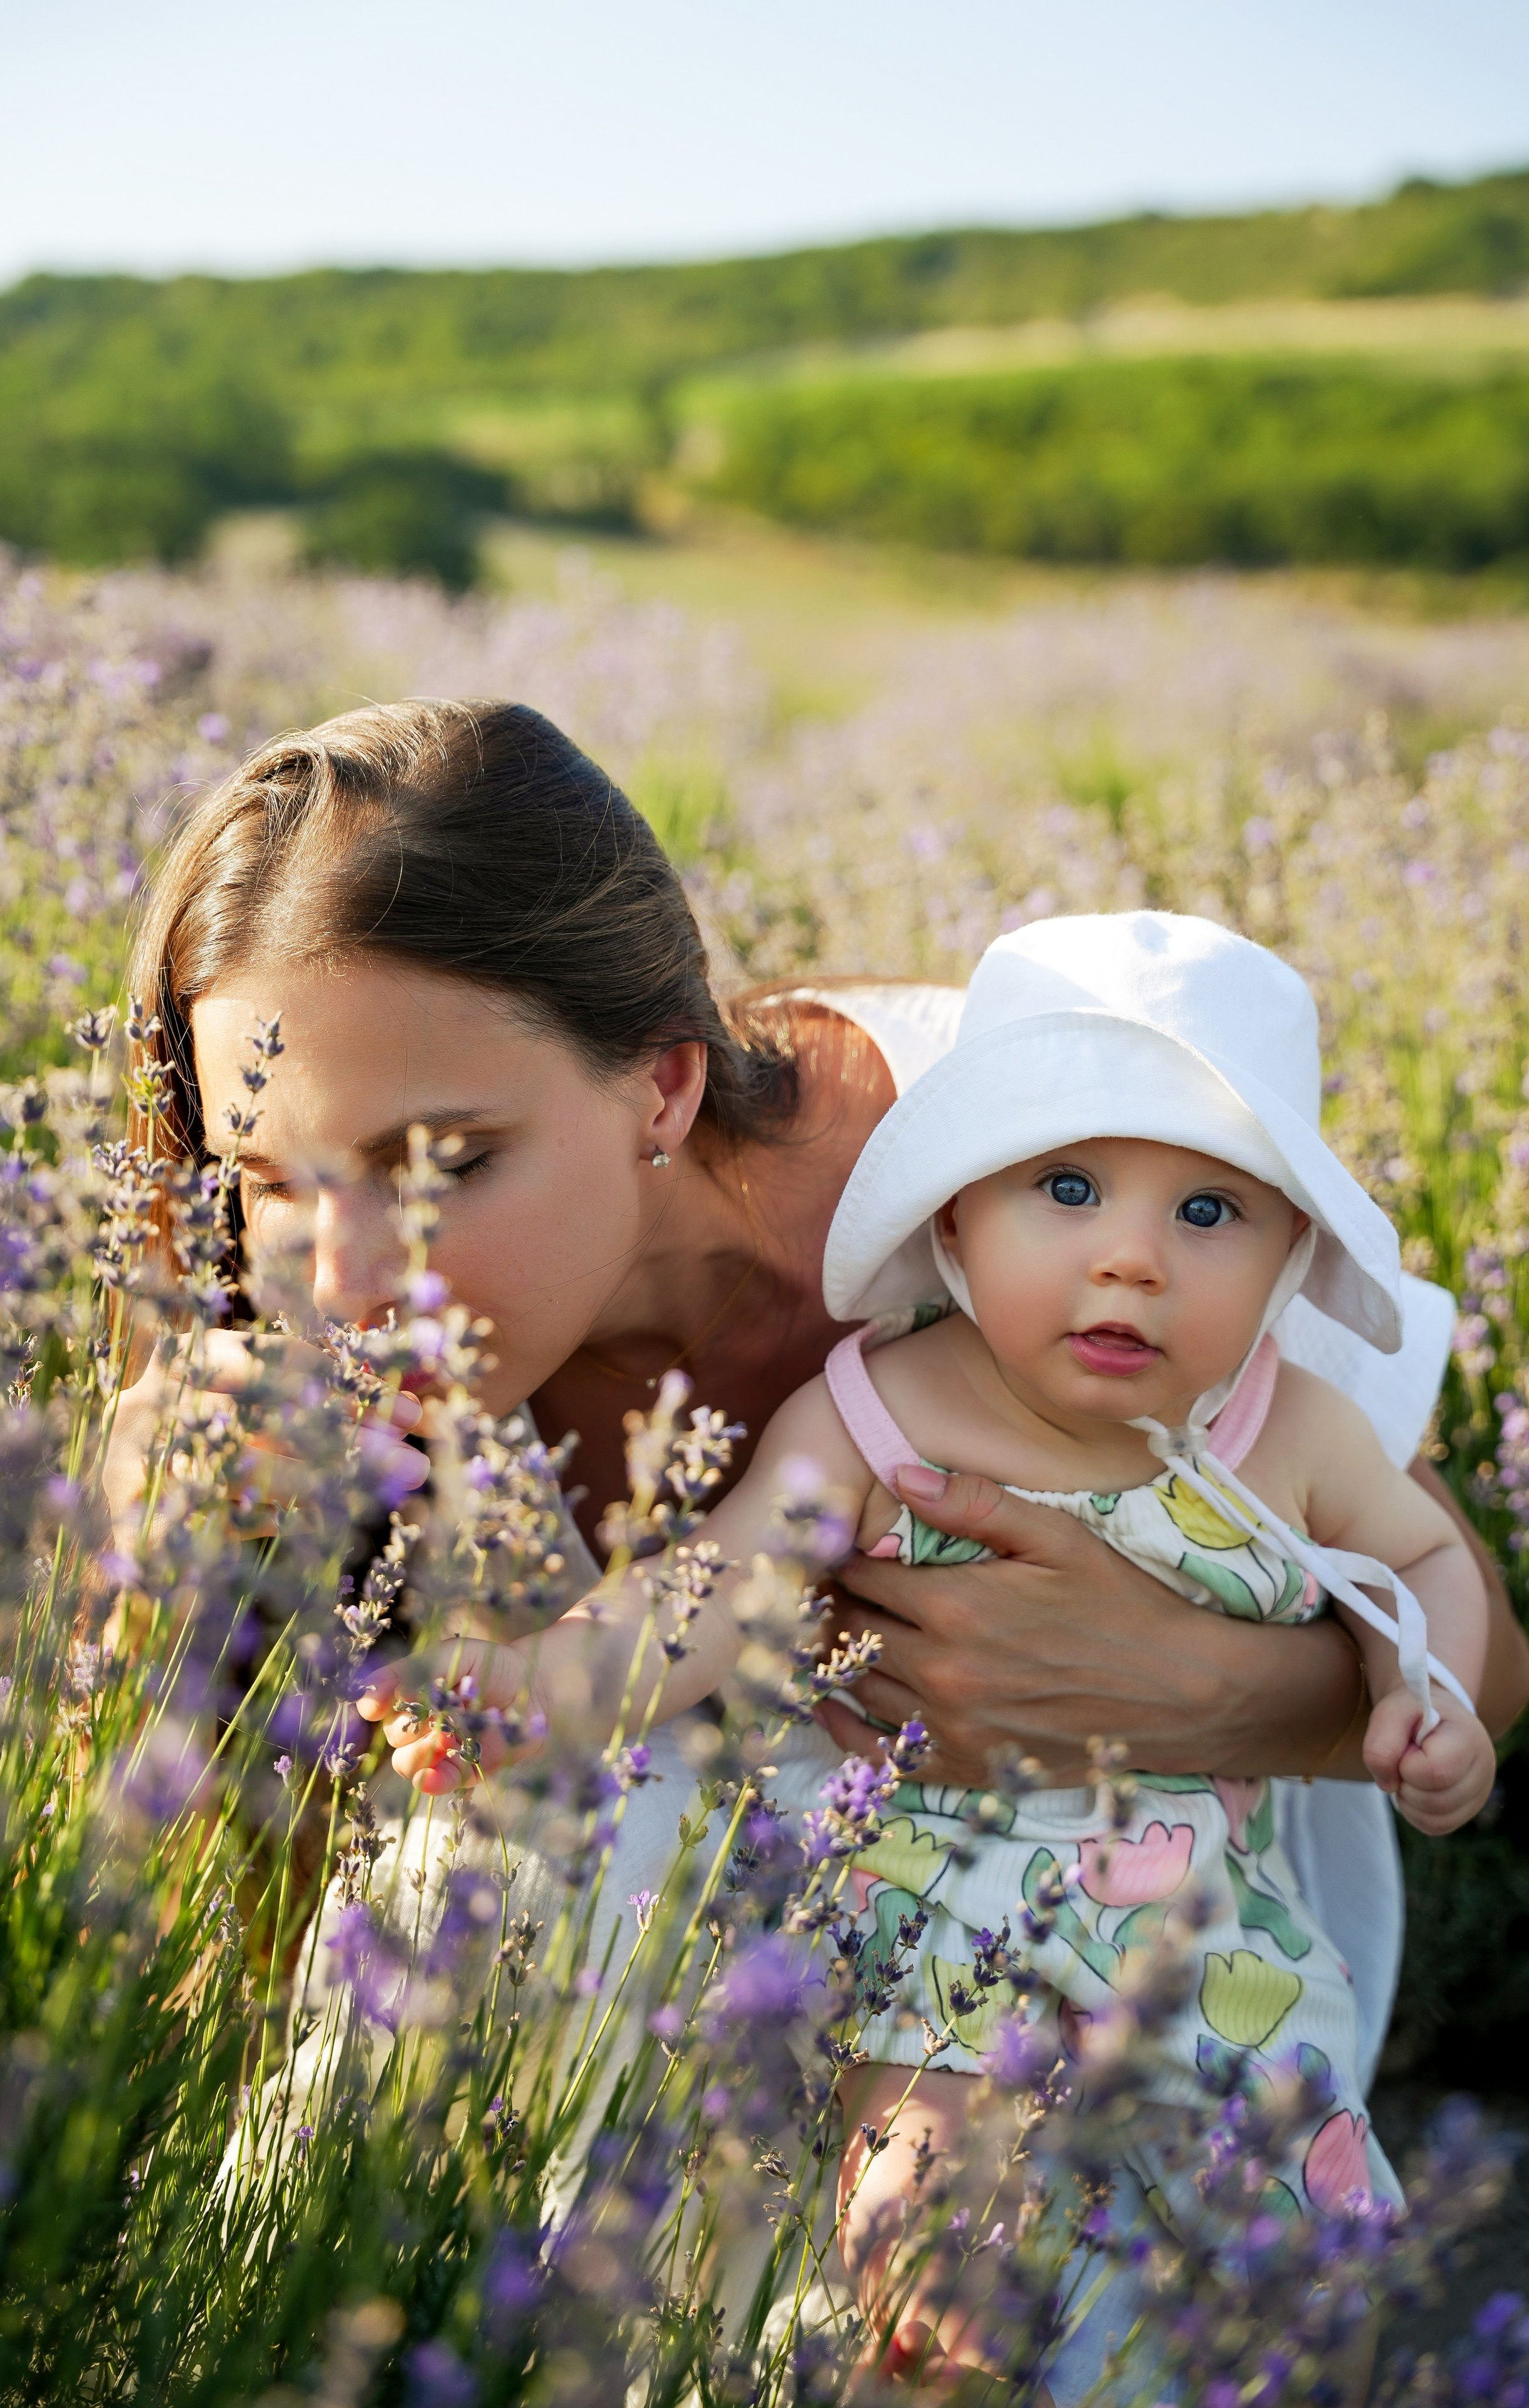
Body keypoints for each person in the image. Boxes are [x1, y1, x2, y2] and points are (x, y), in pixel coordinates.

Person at [107, 701, 1528, 2384]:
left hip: (1158, 1915)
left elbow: (1478, 1650)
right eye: (273, 1181)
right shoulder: (329, 1390)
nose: (351, 1272)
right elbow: (361, 1831)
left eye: (446, 1164)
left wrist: (1204, 1691)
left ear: (664, 1084)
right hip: (792, 1972)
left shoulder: (1037, 1160)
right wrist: (162, 1552)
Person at [386, 911, 1495, 2377]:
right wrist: (535, 1689)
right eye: (1069, 1188)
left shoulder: (1283, 1429)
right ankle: (925, 2304)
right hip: (937, 1896)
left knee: (1259, 2232)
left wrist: (1431, 1695)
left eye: (1208, 1214)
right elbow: (705, 1591)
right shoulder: (881, 1407)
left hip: (1209, 1926)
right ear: (959, 1218)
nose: (1131, 1261)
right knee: (928, 2167)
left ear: (1289, 1257)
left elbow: (1417, 1561)